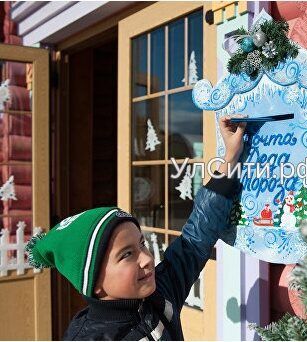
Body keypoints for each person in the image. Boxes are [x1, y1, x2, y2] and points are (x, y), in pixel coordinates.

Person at [26, 115, 246, 340]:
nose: (147, 258)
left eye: (141, 243)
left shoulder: (160, 295)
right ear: (94, 283)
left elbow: (195, 237)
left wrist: (230, 156)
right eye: (127, 254)